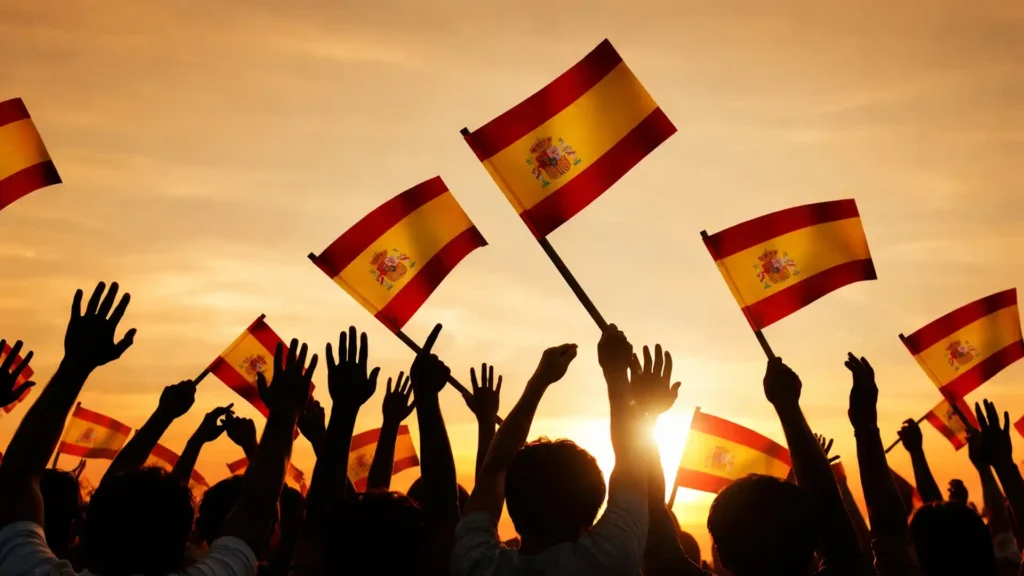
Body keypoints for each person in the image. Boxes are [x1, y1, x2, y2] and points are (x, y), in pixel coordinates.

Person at [0, 282, 318, 576]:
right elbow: (257, 511)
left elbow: (17, 475)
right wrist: (285, 413)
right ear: (186, 541)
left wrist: (76, 365)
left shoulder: (27, 568)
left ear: (82, 525)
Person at [453, 324, 651, 575]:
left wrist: (538, 382)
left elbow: (494, 469)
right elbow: (632, 463)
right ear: (590, 512)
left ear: (512, 506)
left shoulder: (477, 565)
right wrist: (616, 372)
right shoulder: (610, 560)